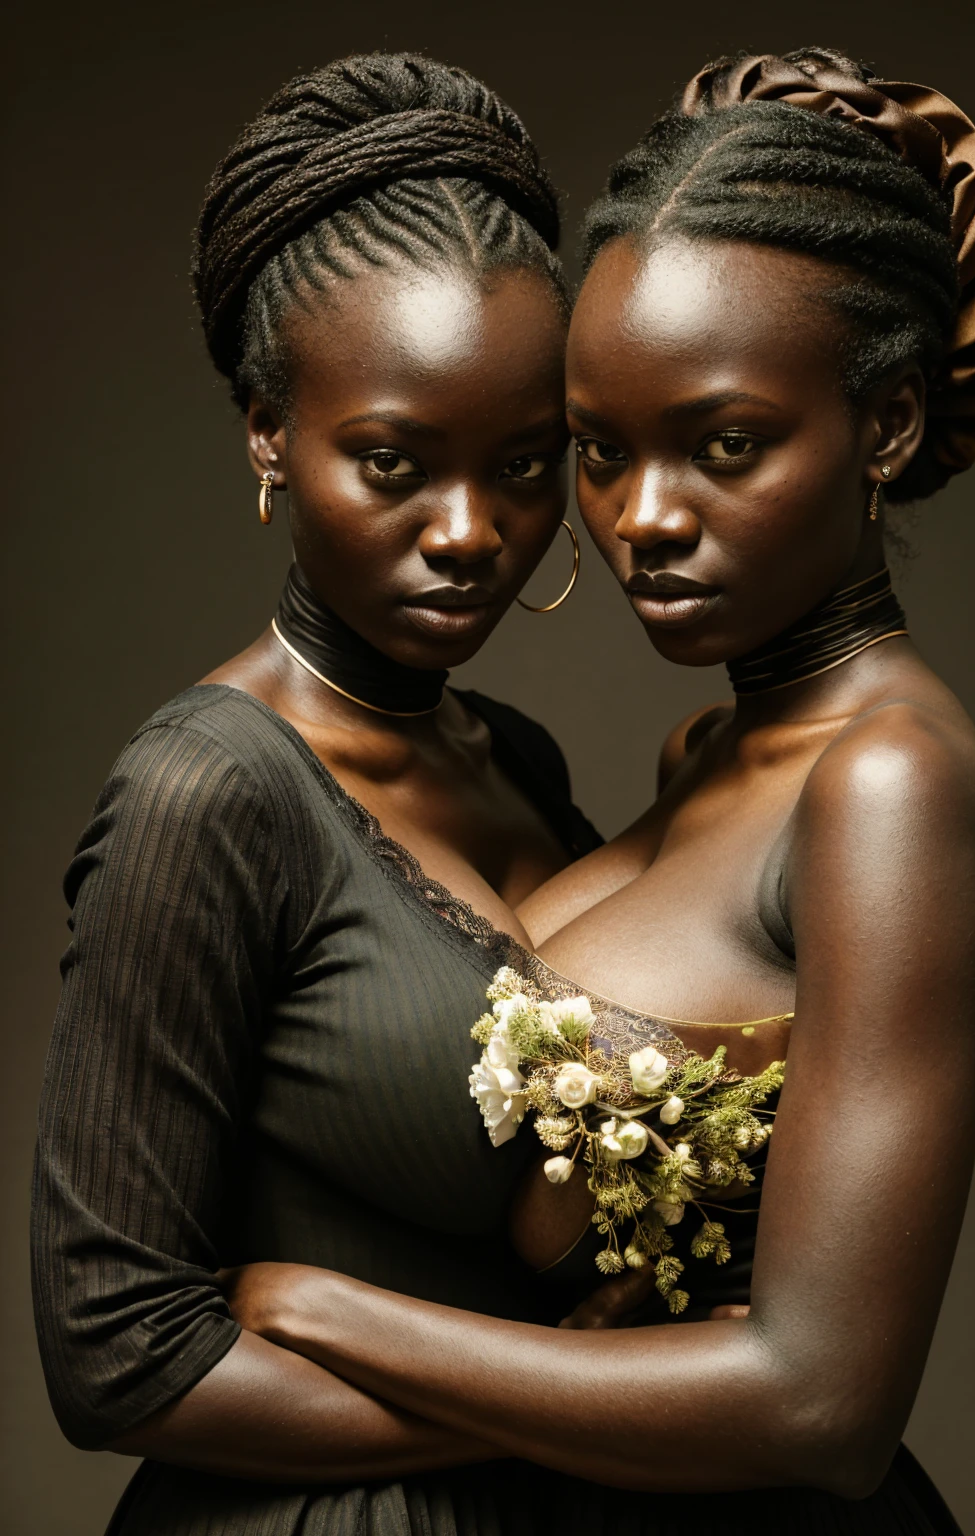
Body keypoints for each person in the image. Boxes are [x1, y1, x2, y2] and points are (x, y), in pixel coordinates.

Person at [217, 47, 975, 1535]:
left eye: (725, 445)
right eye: (602, 450)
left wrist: (330, 1311)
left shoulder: (890, 783)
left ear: (891, 425)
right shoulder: (708, 756)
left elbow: (823, 1405)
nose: (644, 518)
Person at [31, 50, 605, 1534]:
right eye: (393, 462)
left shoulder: (516, 760)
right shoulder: (204, 795)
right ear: (270, 437)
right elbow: (113, 1357)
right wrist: (580, 1413)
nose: (471, 532)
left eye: (526, 464)